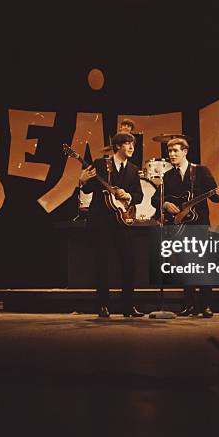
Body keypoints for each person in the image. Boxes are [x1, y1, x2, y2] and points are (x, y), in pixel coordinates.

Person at [152, 137, 219, 317]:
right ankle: (190, 304)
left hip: (199, 225)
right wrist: (165, 204)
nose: (172, 155)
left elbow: (215, 197)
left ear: (185, 152)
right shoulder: (168, 176)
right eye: (170, 152)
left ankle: (206, 305)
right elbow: (155, 199)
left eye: (175, 151)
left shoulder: (200, 171)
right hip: (178, 227)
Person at [79, 132, 144, 318]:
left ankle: (128, 306)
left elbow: (139, 196)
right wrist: (83, 180)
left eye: (133, 144)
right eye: (127, 144)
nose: (131, 147)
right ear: (117, 146)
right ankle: (102, 306)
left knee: (129, 262)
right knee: (102, 263)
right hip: (101, 221)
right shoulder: (101, 164)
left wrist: (128, 196)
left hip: (122, 221)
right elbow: (88, 188)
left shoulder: (133, 169)